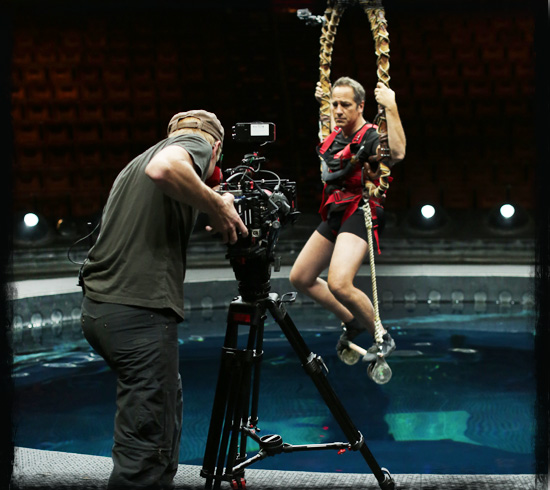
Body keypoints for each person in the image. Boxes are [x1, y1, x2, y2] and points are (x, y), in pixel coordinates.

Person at [79, 110, 248, 490]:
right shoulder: (195, 143)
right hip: (138, 314)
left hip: (102, 310)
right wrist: (216, 204)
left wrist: (216, 200)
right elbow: (166, 169)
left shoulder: (134, 164)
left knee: (162, 413)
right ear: (215, 149)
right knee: (146, 454)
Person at [289, 77, 406, 364]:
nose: (338, 110)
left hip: (361, 209)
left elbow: (398, 153)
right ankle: (352, 321)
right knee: (301, 277)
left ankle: (381, 335)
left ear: (360, 106)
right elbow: (330, 126)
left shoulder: (371, 136)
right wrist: (323, 102)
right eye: (335, 104)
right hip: (337, 210)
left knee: (339, 283)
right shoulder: (335, 133)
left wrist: (391, 107)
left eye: (345, 105)